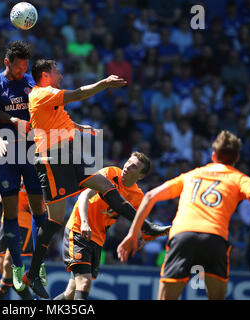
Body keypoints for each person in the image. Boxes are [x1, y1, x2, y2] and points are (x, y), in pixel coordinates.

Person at [22, 59, 170, 299]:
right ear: (45, 75)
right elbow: (79, 93)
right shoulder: (43, 93)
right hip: (52, 160)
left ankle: (146, 225)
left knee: (105, 185)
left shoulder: (48, 98)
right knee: (55, 221)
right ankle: (33, 274)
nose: (60, 75)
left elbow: (60, 120)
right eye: (56, 71)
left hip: (69, 156)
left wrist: (81, 128)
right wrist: (104, 83)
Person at [117, 130, 250, 300]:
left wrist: (133, 234)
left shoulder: (192, 175)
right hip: (215, 238)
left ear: (213, 155)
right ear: (236, 158)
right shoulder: (240, 178)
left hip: (183, 236)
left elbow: (149, 197)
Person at [0, 41, 47, 291]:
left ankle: (37, 265)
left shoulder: (30, 83)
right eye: (19, 67)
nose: (23, 71)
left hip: (30, 152)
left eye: (25, 67)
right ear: (6, 63)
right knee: (9, 213)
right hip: (6, 153)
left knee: (40, 212)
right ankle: (18, 267)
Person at [54, 152, 151, 300]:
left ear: (140, 176)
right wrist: (85, 222)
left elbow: (138, 221)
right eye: (128, 163)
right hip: (79, 228)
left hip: (97, 238)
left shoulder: (137, 197)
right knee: (84, 282)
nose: (127, 167)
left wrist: (141, 235)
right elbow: (84, 196)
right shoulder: (110, 173)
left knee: (70, 293)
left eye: (133, 167)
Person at [0, 184, 34, 300]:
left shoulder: (39, 175)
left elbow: (40, 205)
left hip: (24, 225)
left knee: (8, 264)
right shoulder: (14, 172)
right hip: (7, 221)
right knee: (2, 268)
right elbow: (0, 198)